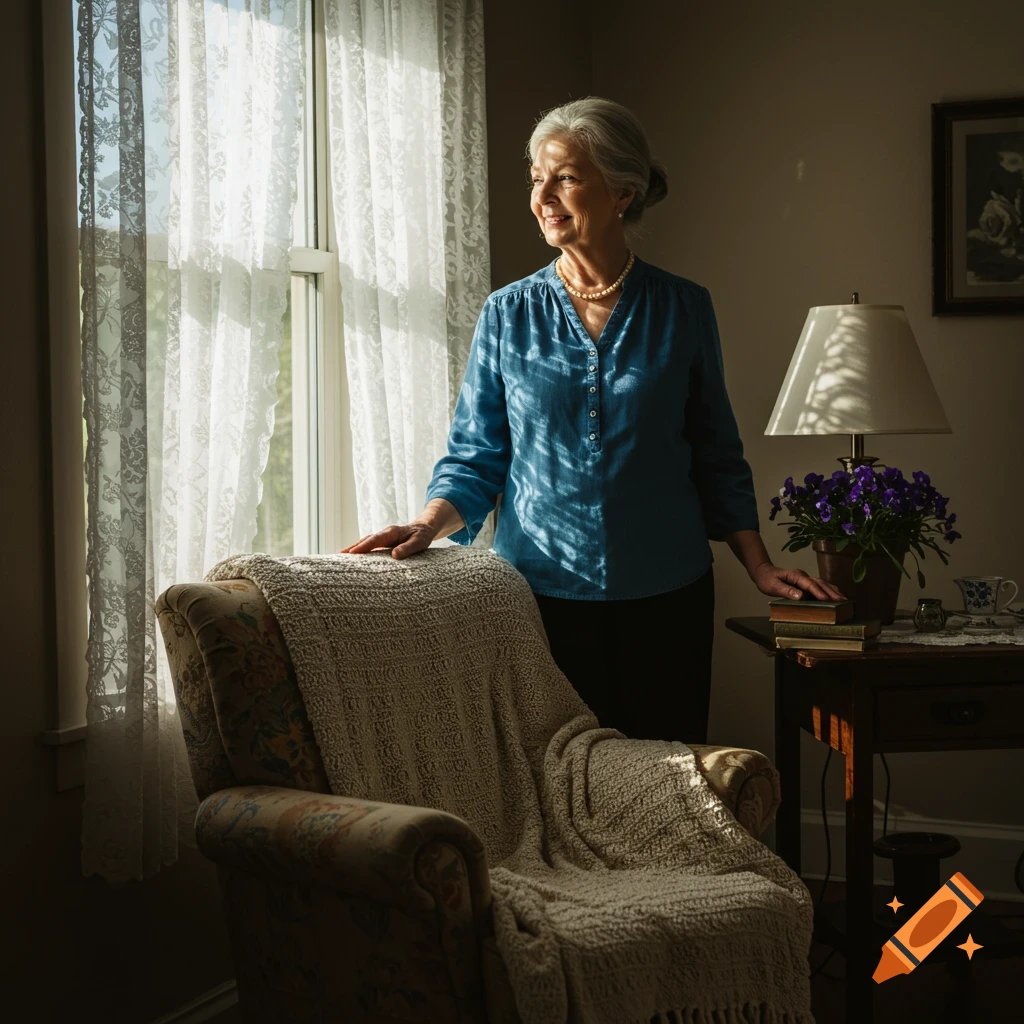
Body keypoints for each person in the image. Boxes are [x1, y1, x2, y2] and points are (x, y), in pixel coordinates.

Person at [342, 96, 845, 744]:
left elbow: (716, 453)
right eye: (535, 178)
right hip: (538, 600)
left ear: (622, 193)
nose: (543, 196)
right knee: (555, 785)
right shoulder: (507, 314)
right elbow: (476, 455)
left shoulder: (683, 308)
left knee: (664, 789)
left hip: (669, 599)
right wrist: (426, 522)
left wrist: (760, 566)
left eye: (566, 177)